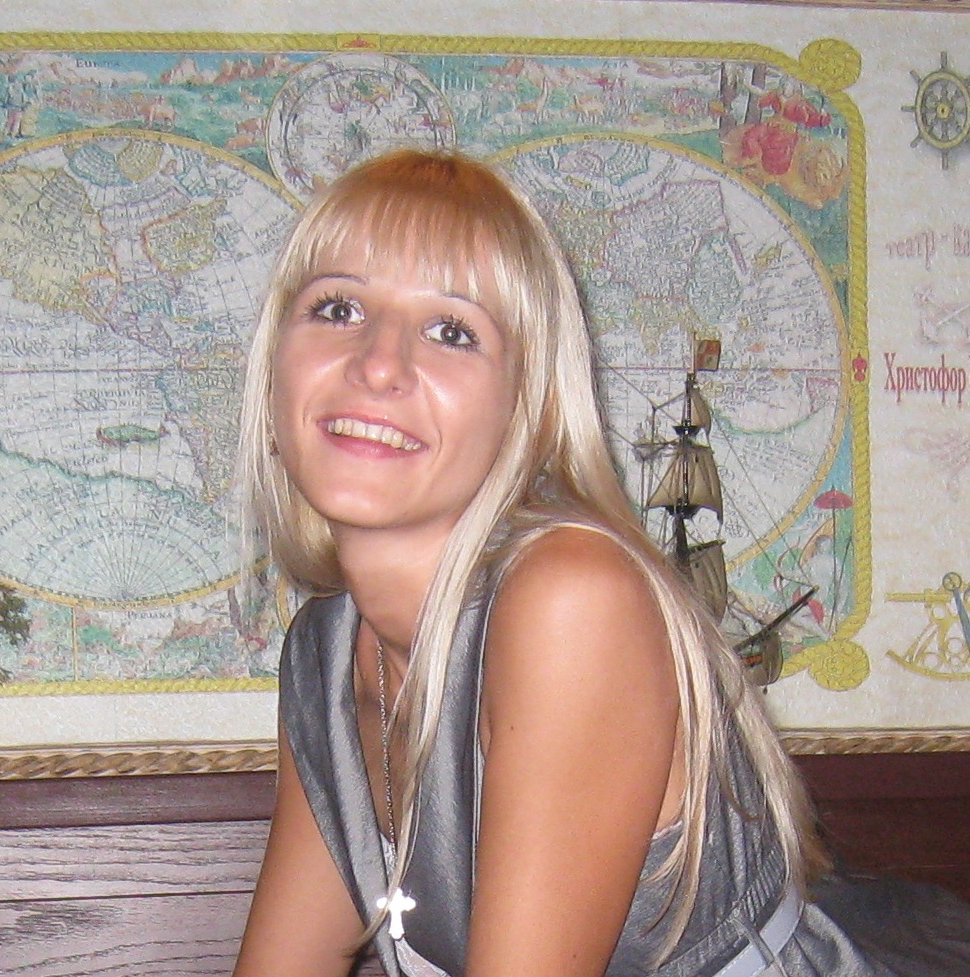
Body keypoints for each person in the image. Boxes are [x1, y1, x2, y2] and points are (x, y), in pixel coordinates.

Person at [232, 149, 968, 977]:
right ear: (274, 369)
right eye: (337, 307)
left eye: (452, 331)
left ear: (528, 409)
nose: (377, 362)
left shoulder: (572, 598)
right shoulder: (326, 654)